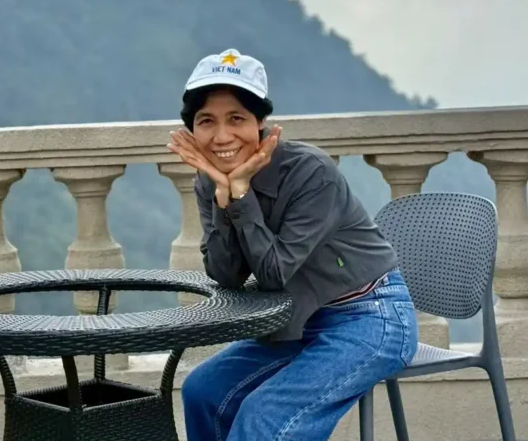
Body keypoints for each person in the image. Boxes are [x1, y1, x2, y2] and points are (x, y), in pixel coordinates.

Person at [166, 48, 417, 441]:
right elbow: (226, 275)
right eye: (206, 121)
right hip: (296, 319)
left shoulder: (311, 172)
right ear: (192, 130)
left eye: (236, 118)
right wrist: (223, 194)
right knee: (202, 392)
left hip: (370, 316)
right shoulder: (209, 180)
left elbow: (273, 274)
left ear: (261, 123)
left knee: (263, 417)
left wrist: (241, 193)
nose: (221, 136)